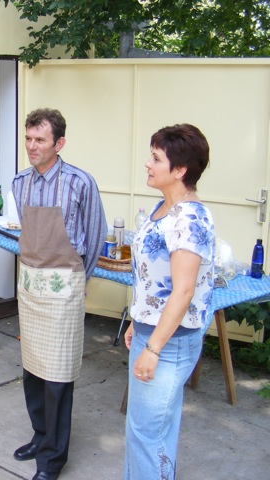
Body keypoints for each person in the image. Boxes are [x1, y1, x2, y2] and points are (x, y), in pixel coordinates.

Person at [11, 108, 107, 480]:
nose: (32, 146)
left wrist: (78, 281)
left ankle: (53, 457)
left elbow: (95, 237)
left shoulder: (80, 183)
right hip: (30, 289)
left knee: (58, 377)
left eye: (40, 140)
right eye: (28, 138)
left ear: (59, 143)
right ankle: (40, 436)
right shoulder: (20, 182)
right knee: (33, 371)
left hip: (64, 289)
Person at [123, 124, 215, 479]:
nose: (147, 164)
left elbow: (184, 291)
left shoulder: (189, 218)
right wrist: (138, 319)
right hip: (153, 331)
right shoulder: (163, 207)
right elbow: (153, 279)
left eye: (156, 158)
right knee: (145, 431)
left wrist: (154, 347)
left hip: (170, 342)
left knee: (148, 436)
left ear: (180, 170)